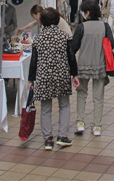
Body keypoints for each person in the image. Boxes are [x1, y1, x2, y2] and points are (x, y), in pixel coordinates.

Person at [28, 8, 80, 150]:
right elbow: (71, 57)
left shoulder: (38, 39)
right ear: (57, 20)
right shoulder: (64, 36)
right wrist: (74, 75)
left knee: (45, 108)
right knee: (64, 105)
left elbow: (34, 61)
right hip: (61, 75)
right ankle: (62, 136)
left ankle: (48, 139)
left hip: (44, 76)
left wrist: (31, 80)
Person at [72, 0, 114, 136]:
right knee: (98, 97)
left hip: (83, 64)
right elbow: (111, 44)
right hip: (100, 64)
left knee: (81, 94)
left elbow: (73, 47)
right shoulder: (105, 26)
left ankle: (80, 123)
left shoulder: (81, 27)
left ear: (88, 13)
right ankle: (97, 126)